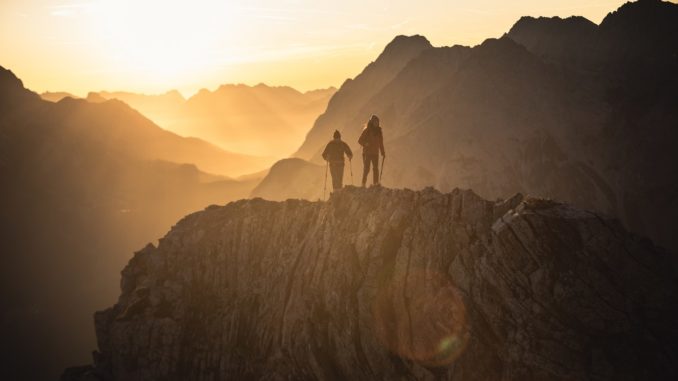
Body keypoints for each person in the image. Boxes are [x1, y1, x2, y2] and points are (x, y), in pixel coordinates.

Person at [358, 115, 385, 186]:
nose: (376, 123)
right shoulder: (367, 130)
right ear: (372, 122)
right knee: (367, 169)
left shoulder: (379, 132)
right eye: (375, 122)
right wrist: (365, 144)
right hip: (367, 153)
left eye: (377, 122)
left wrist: (383, 152)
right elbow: (360, 140)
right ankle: (363, 183)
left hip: (375, 153)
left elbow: (381, 143)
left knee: (375, 169)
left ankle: (375, 184)